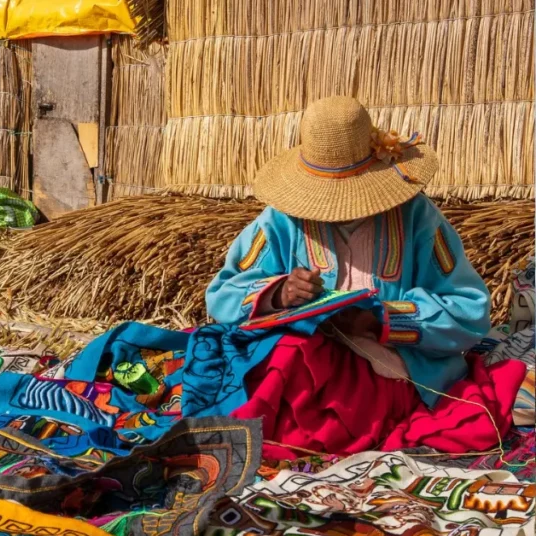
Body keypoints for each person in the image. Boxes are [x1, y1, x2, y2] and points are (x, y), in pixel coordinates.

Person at [206, 96, 491, 407]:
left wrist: (380, 320)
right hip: (302, 368)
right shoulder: (280, 220)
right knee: (279, 371)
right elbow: (222, 295)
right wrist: (279, 294)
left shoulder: (417, 218)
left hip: (389, 370)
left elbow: (469, 312)